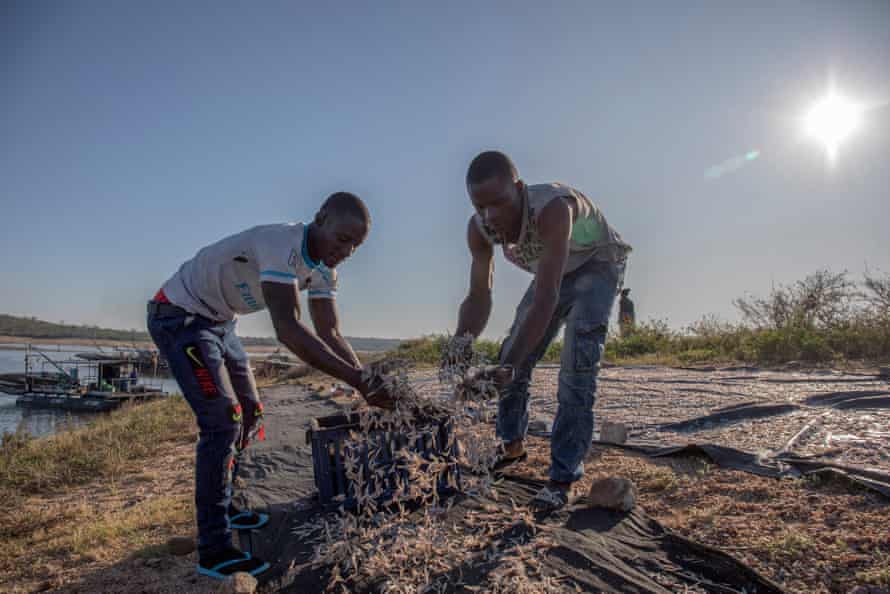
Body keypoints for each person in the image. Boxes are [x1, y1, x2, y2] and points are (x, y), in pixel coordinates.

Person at [146, 192, 394, 579]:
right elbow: (289, 330)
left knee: (250, 412)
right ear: (320, 218)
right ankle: (213, 547)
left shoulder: (325, 269)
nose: (346, 250)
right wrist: (360, 383)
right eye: (342, 238)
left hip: (220, 321)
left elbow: (329, 331)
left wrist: (365, 378)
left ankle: (224, 503)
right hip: (180, 314)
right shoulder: (282, 245)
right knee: (222, 421)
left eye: (355, 246)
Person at [445, 151, 631, 510]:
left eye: (499, 203)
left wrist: (508, 368)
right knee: (512, 350)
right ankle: (511, 444)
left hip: (598, 262)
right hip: (554, 271)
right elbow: (479, 296)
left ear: (518, 188)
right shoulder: (479, 229)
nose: (491, 217)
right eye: (481, 207)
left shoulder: (552, 209)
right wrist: (461, 342)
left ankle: (562, 478)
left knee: (577, 366)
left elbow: (546, 299)